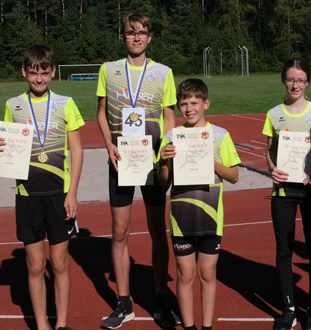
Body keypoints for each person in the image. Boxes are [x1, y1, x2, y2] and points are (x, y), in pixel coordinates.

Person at [0, 44, 84, 330]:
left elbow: (77, 150)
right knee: (36, 265)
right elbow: (1, 144)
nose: (39, 78)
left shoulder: (65, 103)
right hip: (27, 196)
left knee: (60, 264)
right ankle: (42, 326)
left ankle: (61, 324)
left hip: (59, 196)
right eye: (33, 72)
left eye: (45, 72)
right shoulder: (13, 105)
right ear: (24, 71)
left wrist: (72, 193)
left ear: (52, 72)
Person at [96, 13, 178, 329]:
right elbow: (101, 114)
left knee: (158, 230)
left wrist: (166, 158)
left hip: (152, 161)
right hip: (119, 160)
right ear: (123, 36)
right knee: (119, 230)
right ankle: (124, 304)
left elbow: (169, 118)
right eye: (132, 32)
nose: (137, 37)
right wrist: (108, 146)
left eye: (142, 32)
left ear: (150, 37)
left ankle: (160, 300)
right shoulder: (109, 70)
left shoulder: (163, 73)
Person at [158, 78, 240, 330]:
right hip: (182, 216)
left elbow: (234, 176)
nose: (189, 108)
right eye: (183, 104)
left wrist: (210, 161)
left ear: (206, 103)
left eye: (194, 102)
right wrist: (163, 162)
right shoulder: (171, 136)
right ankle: (190, 327)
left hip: (211, 216)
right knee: (184, 274)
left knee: (207, 273)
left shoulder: (219, 135)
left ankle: (207, 327)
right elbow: (163, 183)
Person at [263, 58, 311, 330]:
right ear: (284, 79)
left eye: (300, 80)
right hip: (283, 188)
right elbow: (269, 151)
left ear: (307, 83)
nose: (295, 84)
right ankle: (289, 310)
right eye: (290, 79)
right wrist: (271, 168)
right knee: (284, 250)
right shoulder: (274, 114)